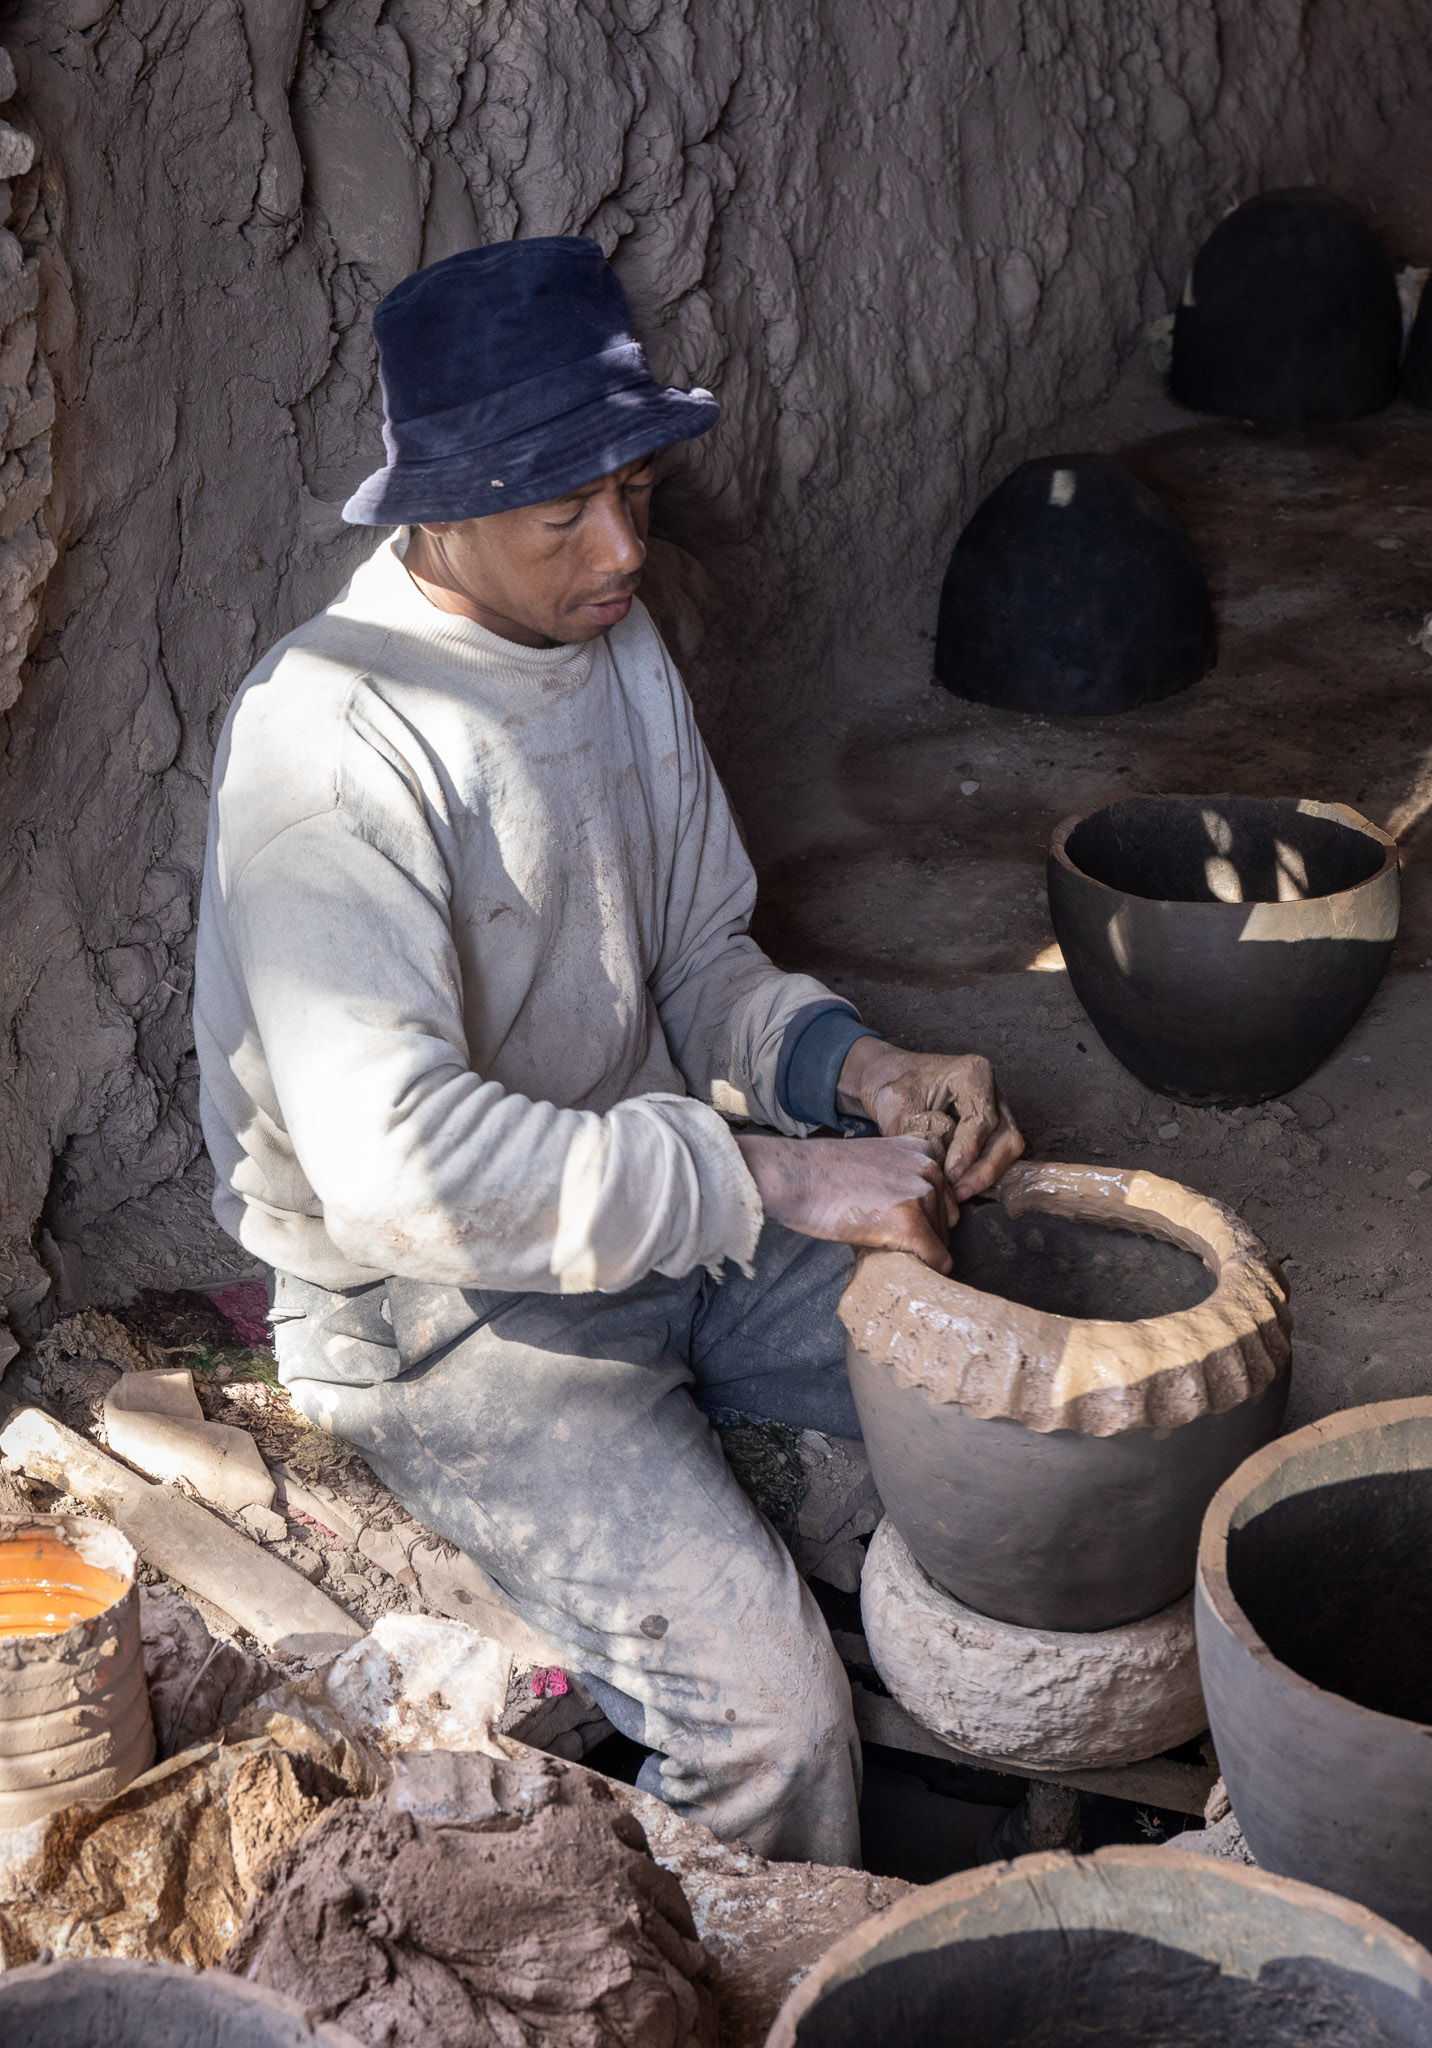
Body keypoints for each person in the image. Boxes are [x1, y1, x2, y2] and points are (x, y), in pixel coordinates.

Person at [195, 236, 1023, 1868]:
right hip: (446, 1323)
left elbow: (701, 960)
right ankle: (739, 1977)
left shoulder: (607, 641)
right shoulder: (329, 747)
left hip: (667, 1209)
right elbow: (408, 1178)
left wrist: (860, 1078)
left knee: (1006, 1369)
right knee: (768, 1714)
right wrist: (769, 1175)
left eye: (632, 490)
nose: (622, 544)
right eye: (560, 509)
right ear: (435, 505)